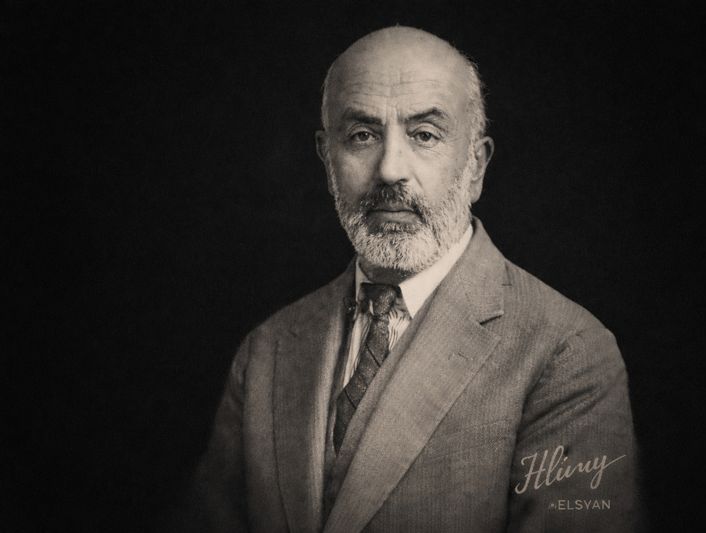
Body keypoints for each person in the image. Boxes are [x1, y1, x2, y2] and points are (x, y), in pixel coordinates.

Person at [180, 26, 641, 533]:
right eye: (363, 135)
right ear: (327, 159)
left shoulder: (568, 352)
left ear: (476, 166)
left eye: (424, 135)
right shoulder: (266, 352)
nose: (390, 169)